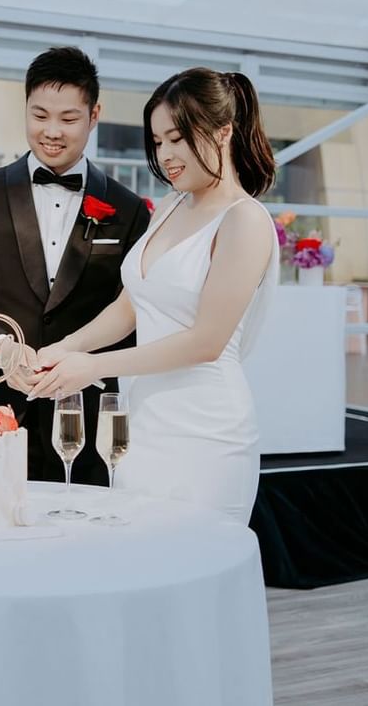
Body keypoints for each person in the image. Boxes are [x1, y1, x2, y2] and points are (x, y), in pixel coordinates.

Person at [29, 67, 277, 523]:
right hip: (141, 423)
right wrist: (64, 349)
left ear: (222, 132)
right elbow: (129, 307)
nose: (166, 155)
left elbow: (207, 342)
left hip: (205, 431)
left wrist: (93, 367)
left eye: (177, 138)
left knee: (191, 569)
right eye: (158, 141)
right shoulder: (170, 206)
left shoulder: (246, 221)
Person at [0, 47, 151, 484]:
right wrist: (1, 348)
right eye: (40, 115)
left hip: (84, 416)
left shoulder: (128, 210)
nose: (52, 132)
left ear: (94, 115)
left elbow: (135, 311)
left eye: (69, 119)